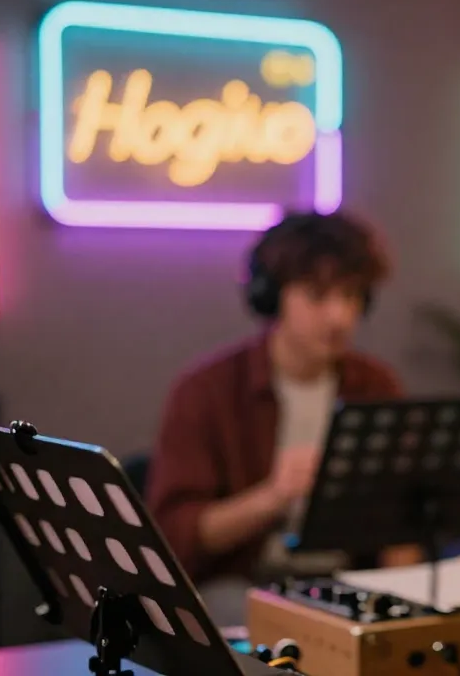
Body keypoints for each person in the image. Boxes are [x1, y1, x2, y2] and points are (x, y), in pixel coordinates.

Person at [146, 210, 409, 626]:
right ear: (271, 297)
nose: (339, 316)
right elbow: (175, 535)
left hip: (348, 585)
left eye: (351, 296)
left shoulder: (375, 385)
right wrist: (273, 496)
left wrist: (406, 605)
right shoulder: (208, 391)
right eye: (317, 296)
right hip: (242, 583)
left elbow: (401, 520)